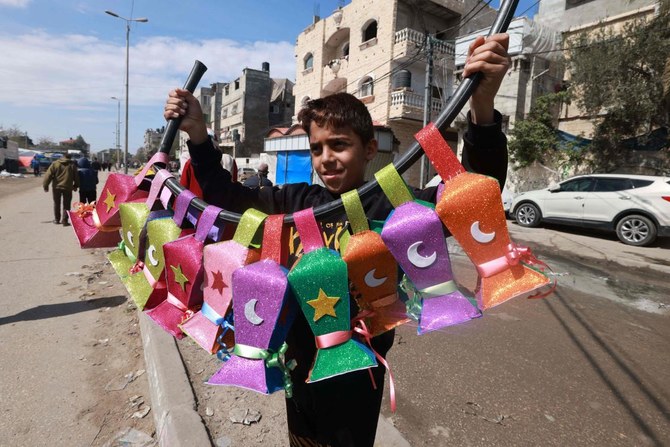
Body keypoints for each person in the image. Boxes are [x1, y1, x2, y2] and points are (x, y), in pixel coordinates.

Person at [164, 33, 510, 447]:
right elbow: (226, 200)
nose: (326, 157)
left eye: (340, 145)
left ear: (369, 150)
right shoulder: (291, 203)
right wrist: (199, 136)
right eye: (316, 148)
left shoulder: (393, 205)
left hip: (357, 372)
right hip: (297, 361)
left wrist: (483, 109)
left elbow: (471, 194)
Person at [43, 153, 79, 226]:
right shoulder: (72, 165)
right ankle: (65, 221)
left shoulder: (55, 164)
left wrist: (45, 186)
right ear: (70, 157)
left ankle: (57, 220)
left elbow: (48, 175)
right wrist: (76, 186)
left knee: (57, 203)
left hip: (56, 187)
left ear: (63, 156)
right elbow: (76, 177)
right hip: (68, 187)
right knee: (67, 205)